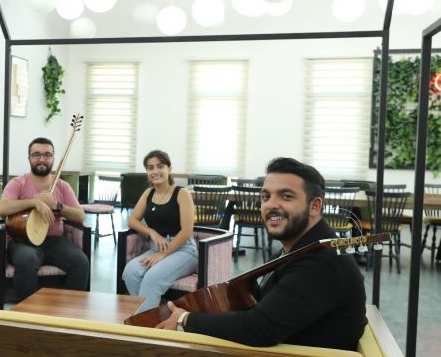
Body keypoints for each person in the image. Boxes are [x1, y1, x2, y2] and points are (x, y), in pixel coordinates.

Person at [156, 157, 367, 351]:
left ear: (315, 206)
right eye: (266, 196)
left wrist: (185, 320)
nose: (271, 205)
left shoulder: (322, 262)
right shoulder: (300, 249)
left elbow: (259, 329)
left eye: (286, 196)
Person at [0, 137, 89, 303]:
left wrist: (57, 205)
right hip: (22, 241)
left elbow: (80, 216)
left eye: (47, 155)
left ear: (53, 158)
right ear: (29, 158)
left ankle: (69, 312)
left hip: (54, 241)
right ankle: (29, 314)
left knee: (81, 263)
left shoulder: (62, 186)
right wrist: (35, 202)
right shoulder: (17, 183)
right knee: (27, 260)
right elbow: (2, 209)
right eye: (36, 155)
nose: (42, 159)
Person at [122, 150, 198, 313]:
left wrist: (162, 255)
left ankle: (143, 323)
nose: (155, 171)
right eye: (150, 168)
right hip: (156, 248)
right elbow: (132, 220)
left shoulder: (182, 193)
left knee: (152, 278)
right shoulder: (148, 193)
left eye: (160, 166)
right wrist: (152, 232)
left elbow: (187, 231)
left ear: (169, 168)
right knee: (130, 272)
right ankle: (150, 315)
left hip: (184, 251)